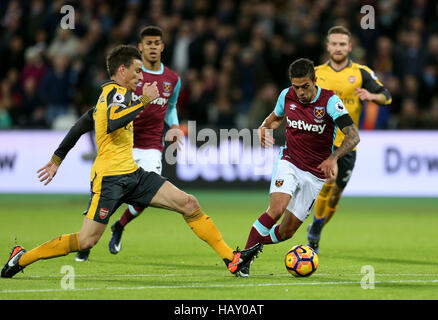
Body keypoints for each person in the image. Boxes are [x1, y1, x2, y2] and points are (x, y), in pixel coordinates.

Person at [1, 45, 262, 279]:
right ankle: (21, 257)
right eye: (137, 71)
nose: (140, 77)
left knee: (189, 203)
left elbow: (82, 123)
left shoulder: (111, 95)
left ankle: (232, 259)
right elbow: (115, 122)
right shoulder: (117, 94)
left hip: (133, 174)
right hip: (109, 180)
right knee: (86, 241)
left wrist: (57, 158)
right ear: (122, 70)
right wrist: (145, 99)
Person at [237, 58, 360, 277]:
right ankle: (243, 260)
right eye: (297, 87)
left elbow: (353, 136)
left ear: (314, 80)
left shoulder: (330, 101)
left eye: (305, 87)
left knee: (286, 232)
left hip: (314, 175)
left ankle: (248, 248)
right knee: (276, 209)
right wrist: (264, 127)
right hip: (290, 162)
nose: (301, 92)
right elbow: (275, 119)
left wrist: (333, 158)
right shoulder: (286, 95)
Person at [75, 26, 183, 261]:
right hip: (125, 142)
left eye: (157, 43)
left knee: (147, 195)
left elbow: (171, 107)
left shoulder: (173, 79)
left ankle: (119, 226)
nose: (153, 47)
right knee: (113, 196)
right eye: (148, 43)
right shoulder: (130, 74)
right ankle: (86, 241)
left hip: (152, 145)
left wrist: (174, 126)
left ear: (162, 47)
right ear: (141, 47)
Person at [306, 26, 392, 253]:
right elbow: (299, 100)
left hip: (349, 143)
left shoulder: (361, 72)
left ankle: (318, 227)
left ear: (349, 47)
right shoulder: (315, 73)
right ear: (327, 46)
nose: (338, 48)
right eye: (334, 44)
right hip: (323, 140)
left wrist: (371, 95)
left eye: (342, 44)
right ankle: (315, 227)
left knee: (336, 196)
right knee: (328, 182)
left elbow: (387, 96)